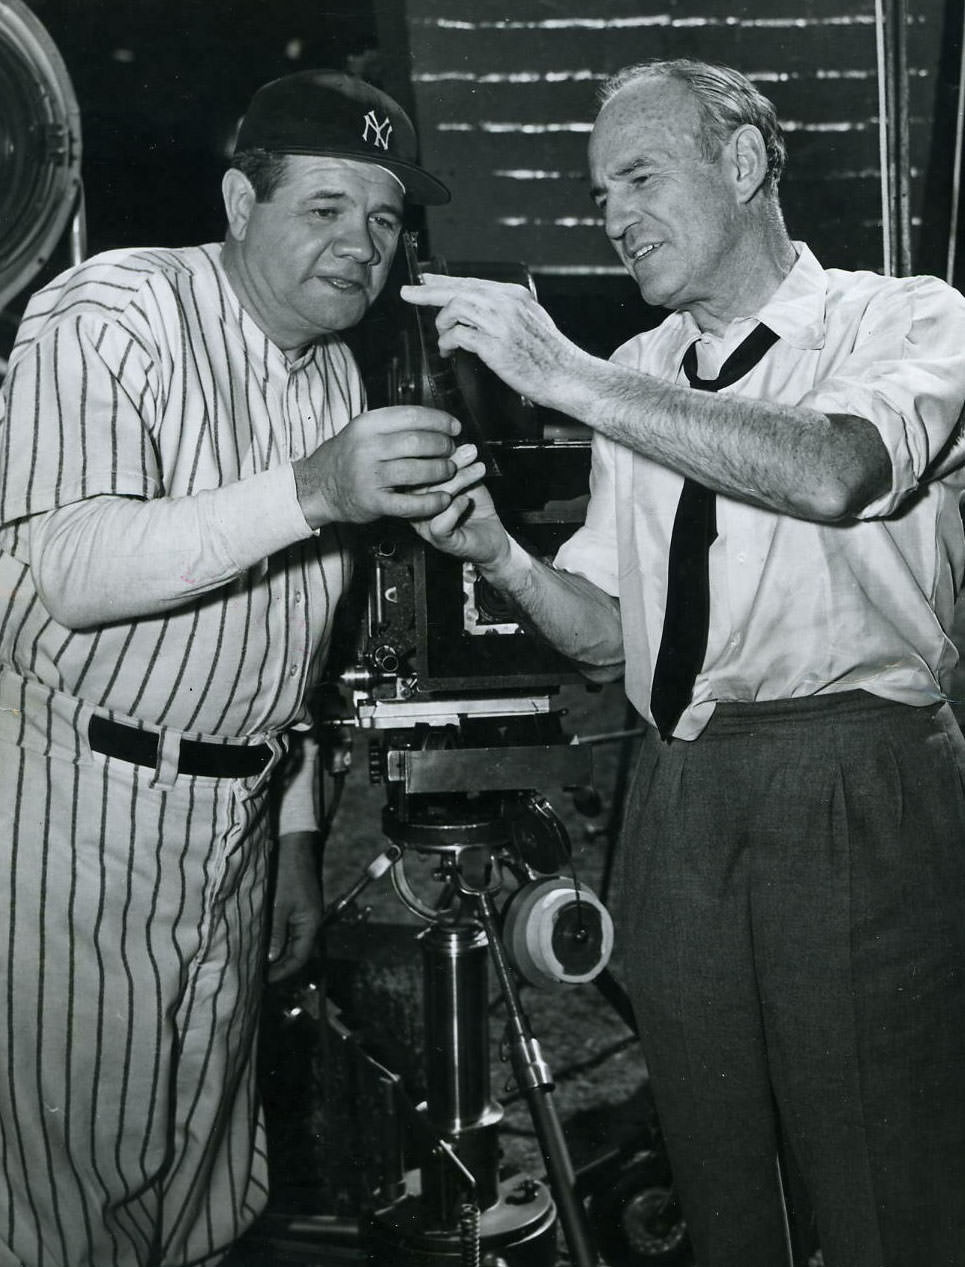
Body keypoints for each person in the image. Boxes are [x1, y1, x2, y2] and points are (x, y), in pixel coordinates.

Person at [404, 59, 965, 1267]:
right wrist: (495, 549)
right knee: (716, 1182)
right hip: (678, 796)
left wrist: (563, 375)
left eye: (639, 176)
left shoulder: (903, 319)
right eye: (600, 189)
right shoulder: (642, 374)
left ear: (747, 165)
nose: (612, 215)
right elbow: (609, 630)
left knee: (877, 1181)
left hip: (849, 783)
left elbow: (835, 471)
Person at [0, 70, 461, 1267]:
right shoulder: (110, 311)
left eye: (383, 218)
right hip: (68, 809)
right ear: (236, 200)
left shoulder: (334, 373)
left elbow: (286, 641)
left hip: (234, 826)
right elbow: (76, 569)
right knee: (63, 1207)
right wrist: (312, 488)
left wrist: (296, 835)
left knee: (201, 1188)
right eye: (324, 206)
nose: (362, 245)